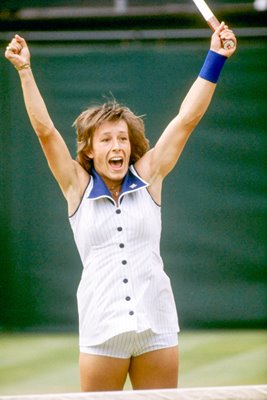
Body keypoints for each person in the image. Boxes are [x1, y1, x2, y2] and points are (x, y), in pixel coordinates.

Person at [5, 22, 237, 392]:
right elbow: (46, 132)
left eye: (123, 139)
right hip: (102, 329)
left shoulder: (150, 176)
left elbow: (186, 120)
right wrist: (25, 70)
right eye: (107, 139)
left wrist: (216, 57)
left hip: (157, 326)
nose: (117, 146)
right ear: (90, 150)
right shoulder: (76, 187)